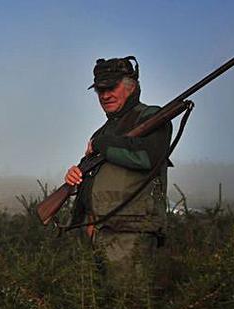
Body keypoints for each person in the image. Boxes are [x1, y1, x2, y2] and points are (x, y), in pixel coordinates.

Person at [64, 56, 172, 283]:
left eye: (111, 87)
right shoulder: (101, 132)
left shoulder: (152, 117)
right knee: (99, 308)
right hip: (96, 233)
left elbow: (147, 158)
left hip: (131, 235)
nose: (105, 95)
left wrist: (102, 144)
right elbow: (97, 174)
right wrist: (76, 176)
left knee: (129, 306)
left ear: (131, 87)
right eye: (99, 90)